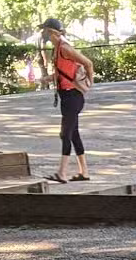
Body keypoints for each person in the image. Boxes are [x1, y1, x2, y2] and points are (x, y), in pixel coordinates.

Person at [39, 18, 95, 181]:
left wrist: (89, 82)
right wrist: (47, 79)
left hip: (73, 96)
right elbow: (61, 72)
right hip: (66, 95)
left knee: (65, 134)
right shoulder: (57, 49)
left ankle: (62, 173)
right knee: (74, 134)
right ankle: (84, 172)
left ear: (51, 32)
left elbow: (88, 63)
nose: (44, 34)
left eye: (45, 31)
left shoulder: (64, 48)